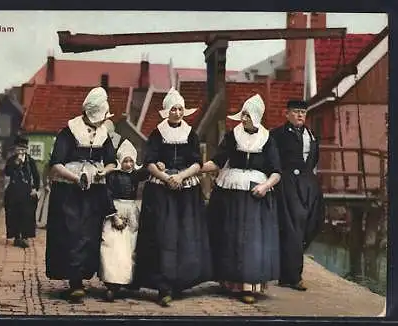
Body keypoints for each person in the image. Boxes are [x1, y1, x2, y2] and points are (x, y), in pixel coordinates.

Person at [133, 87, 212, 307]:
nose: (177, 112)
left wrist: (181, 176)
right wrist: (167, 178)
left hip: (186, 189)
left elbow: (197, 162)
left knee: (184, 234)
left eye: (180, 109)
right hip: (160, 190)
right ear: (166, 111)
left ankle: (179, 282)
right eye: (173, 109)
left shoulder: (191, 134)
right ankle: (162, 285)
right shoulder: (157, 133)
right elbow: (149, 161)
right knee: (162, 235)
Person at [201, 94, 281, 304]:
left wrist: (264, 186)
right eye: (243, 114)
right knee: (230, 234)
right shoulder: (232, 135)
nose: (243, 118)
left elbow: (276, 171)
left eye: (247, 115)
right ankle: (229, 282)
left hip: (255, 194)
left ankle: (249, 285)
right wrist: (195, 168)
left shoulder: (267, 139)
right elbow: (218, 161)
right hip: (231, 191)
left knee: (251, 239)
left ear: (256, 116)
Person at [45, 87, 118, 303]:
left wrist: (104, 171)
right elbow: (56, 165)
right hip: (69, 191)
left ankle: (82, 278)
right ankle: (74, 282)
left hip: (94, 191)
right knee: (71, 231)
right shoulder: (68, 132)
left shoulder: (104, 133)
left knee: (89, 233)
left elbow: (111, 160)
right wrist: (76, 178)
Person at [270, 99, 324, 291]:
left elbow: (314, 158)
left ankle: (287, 272)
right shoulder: (277, 135)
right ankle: (293, 277)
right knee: (293, 229)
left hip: (308, 183)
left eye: (303, 112)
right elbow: (271, 159)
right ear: (287, 114)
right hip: (287, 183)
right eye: (295, 112)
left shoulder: (312, 135)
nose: (300, 115)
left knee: (314, 223)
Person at [99, 139, 149, 302]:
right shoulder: (113, 176)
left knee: (129, 247)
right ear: (120, 161)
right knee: (112, 247)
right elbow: (106, 194)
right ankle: (111, 284)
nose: (128, 165)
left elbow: (147, 170)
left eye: (131, 161)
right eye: (125, 161)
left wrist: (158, 164)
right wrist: (113, 215)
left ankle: (127, 281)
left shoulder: (135, 175)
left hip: (131, 211)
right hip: (115, 210)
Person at [4, 135, 41, 248]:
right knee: (14, 214)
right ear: (15, 149)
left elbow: (36, 176)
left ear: (26, 149)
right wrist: (16, 163)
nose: (21, 151)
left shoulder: (31, 161)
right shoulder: (11, 160)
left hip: (27, 192)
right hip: (14, 191)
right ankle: (16, 237)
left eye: (23, 149)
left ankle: (25, 238)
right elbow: (7, 173)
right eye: (19, 149)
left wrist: (35, 188)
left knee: (27, 215)